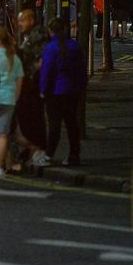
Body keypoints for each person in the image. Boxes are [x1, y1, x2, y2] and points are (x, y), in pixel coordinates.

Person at [39, 18, 87, 166]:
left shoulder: (50, 48)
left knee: (54, 125)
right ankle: (74, 155)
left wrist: (42, 90)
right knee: (72, 123)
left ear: (50, 31)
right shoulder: (75, 46)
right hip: (73, 91)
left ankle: (48, 155)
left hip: (55, 92)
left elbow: (46, 71)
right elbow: (81, 69)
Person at [14, 9, 50, 166]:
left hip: (33, 84)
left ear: (31, 20)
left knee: (33, 118)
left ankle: (37, 149)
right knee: (26, 118)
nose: (19, 24)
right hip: (28, 83)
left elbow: (41, 60)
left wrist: (32, 73)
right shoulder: (28, 36)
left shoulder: (38, 35)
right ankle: (30, 150)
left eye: (22, 20)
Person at [0, 27, 23, 177]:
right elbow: (19, 80)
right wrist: (15, 97)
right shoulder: (14, 58)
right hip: (9, 99)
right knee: (2, 134)